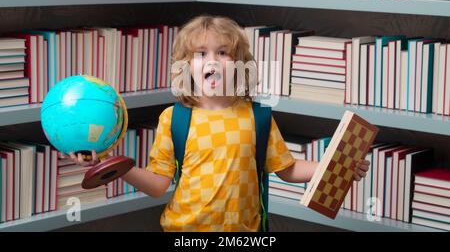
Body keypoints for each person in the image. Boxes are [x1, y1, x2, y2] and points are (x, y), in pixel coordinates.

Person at [69, 15, 370, 231]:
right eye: (200, 54)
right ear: (186, 66)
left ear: (239, 64)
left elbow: (288, 169)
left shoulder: (258, 117)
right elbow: (159, 184)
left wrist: (336, 167)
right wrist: (112, 164)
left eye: (222, 53)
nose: (211, 61)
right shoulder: (174, 119)